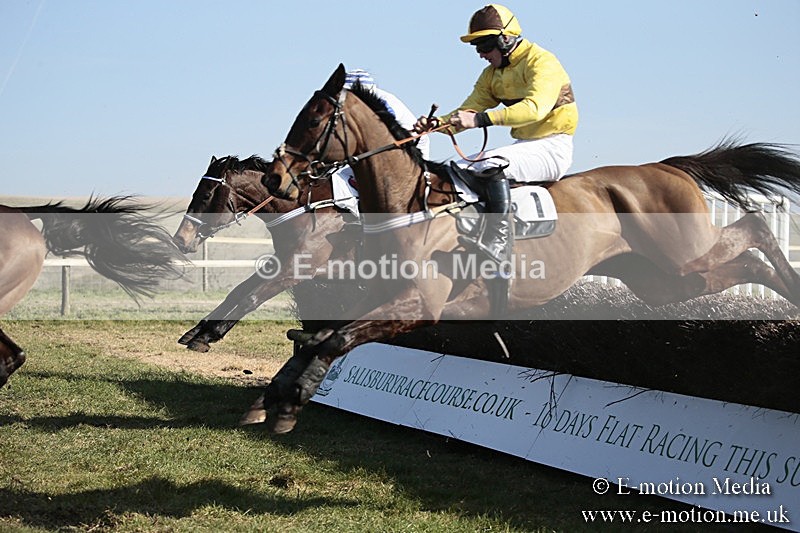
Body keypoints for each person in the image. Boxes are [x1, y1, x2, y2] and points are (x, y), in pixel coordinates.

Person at [414, 4, 578, 264]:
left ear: (505, 39)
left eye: (485, 47)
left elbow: (535, 109)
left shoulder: (542, 61)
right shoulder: (491, 75)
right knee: (458, 166)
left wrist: (479, 120)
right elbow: (468, 110)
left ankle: (498, 241)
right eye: (477, 48)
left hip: (553, 147)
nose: (481, 54)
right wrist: (434, 126)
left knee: (488, 163)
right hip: (526, 145)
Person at [329, 69, 431, 215]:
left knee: (344, 177)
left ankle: (354, 213)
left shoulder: (380, 102)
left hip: (410, 147)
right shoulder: (373, 99)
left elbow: (378, 137)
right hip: (396, 147)